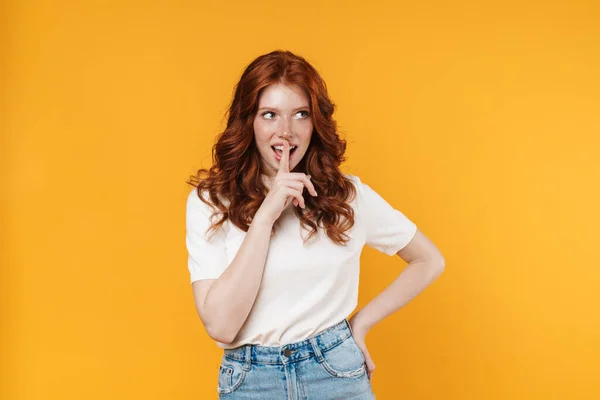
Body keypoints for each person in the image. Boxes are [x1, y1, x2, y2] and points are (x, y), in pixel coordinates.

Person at [185, 50, 445, 399]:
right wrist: (265, 217)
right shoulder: (212, 202)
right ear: (248, 121)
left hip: (335, 372)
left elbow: (429, 260)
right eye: (269, 115)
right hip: (251, 381)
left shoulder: (347, 196)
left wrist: (360, 325)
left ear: (315, 122)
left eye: (300, 114)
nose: (286, 132)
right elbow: (221, 327)